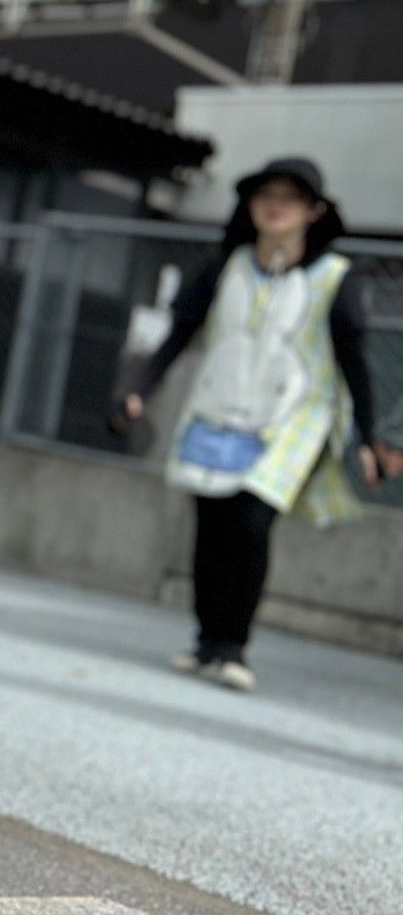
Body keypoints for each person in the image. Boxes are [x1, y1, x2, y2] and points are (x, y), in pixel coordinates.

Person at [116, 159, 398, 691]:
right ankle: (206, 639)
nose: (275, 206)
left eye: (289, 198)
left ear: (314, 211)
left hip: (293, 418)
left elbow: (354, 362)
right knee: (212, 524)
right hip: (217, 407)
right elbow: (179, 334)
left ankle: (233, 646)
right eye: (266, 195)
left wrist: (368, 436)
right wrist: (138, 391)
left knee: (252, 520)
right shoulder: (227, 266)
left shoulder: (334, 277)